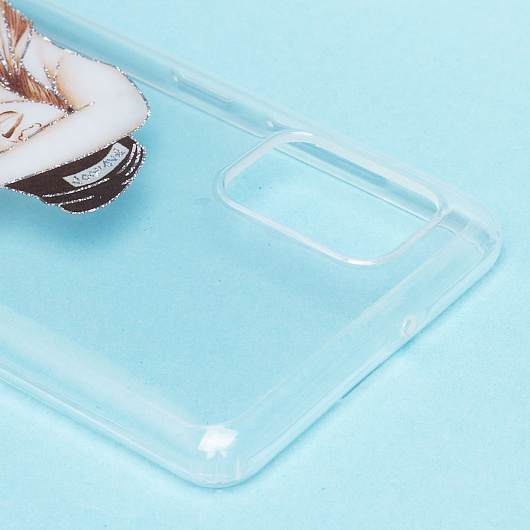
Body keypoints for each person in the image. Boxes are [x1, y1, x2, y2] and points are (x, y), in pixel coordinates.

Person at [0, 1, 149, 213]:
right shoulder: (30, 55)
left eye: (17, 150)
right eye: (44, 131)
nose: (23, 136)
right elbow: (127, 106)